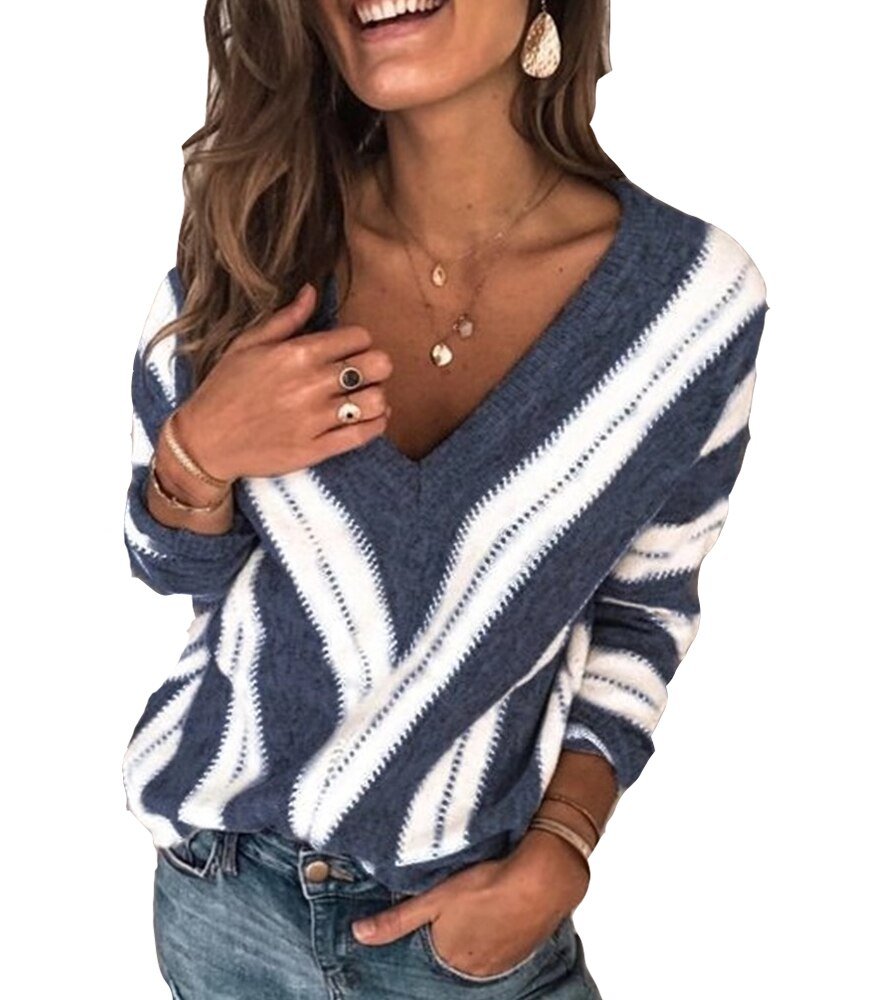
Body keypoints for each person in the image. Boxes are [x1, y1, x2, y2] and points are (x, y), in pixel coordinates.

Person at [121, 1, 769, 997]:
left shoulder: (690, 306)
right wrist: (197, 453)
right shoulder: (259, 248)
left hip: (463, 932)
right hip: (224, 904)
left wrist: (562, 846)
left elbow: (643, 615)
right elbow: (176, 569)